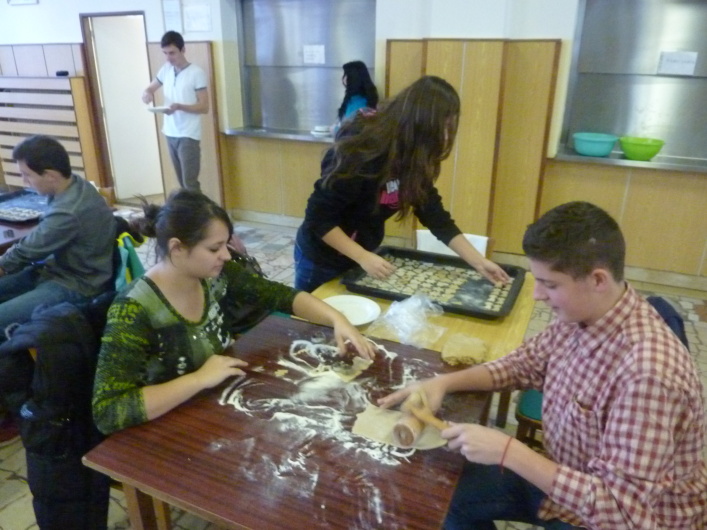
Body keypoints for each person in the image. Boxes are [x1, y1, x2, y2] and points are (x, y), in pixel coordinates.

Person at [379, 201, 707, 529]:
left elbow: (623, 514)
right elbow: (522, 364)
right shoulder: (581, 315)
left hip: (616, 516)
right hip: (570, 479)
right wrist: (441, 383)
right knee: (443, 495)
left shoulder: (648, 375)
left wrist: (510, 452)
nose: (537, 295)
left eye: (549, 284)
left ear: (598, 280)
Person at [93, 190, 376, 435]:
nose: (227, 256)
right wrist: (197, 379)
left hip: (213, 403)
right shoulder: (134, 309)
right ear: (177, 248)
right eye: (214, 248)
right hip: (166, 428)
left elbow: (279, 295)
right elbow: (108, 411)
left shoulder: (215, 274)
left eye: (226, 244)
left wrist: (337, 319)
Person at [294, 75, 510, 292]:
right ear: (421, 123)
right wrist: (362, 256)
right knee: (312, 311)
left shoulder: (412, 155)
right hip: (321, 257)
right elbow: (318, 218)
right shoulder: (363, 151)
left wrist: (479, 262)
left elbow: (435, 216)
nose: (446, 136)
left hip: (361, 252)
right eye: (443, 127)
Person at [0, 135, 116, 340]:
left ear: (50, 176)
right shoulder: (76, 184)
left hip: (77, 285)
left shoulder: (68, 211)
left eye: (27, 175)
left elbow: (23, 253)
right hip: (56, 270)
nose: (24, 181)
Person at [142, 30, 209, 192]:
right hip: (170, 132)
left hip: (188, 134)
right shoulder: (166, 69)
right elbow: (150, 88)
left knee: (190, 183)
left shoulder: (196, 73)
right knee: (182, 184)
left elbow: (204, 107)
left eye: (172, 53)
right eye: (165, 53)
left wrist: (179, 106)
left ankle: (198, 209)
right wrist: (147, 93)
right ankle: (187, 208)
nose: (168, 58)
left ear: (183, 50)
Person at [336, 60, 378, 127]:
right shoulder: (353, 98)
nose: (344, 78)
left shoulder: (359, 104)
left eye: (346, 74)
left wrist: (335, 128)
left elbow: (347, 127)